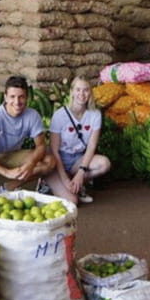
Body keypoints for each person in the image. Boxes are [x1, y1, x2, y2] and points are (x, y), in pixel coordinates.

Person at [0, 76, 56, 203]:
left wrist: (30, 164)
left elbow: (40, 146)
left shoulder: (32, 115)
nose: (17, 102)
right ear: (5, 97)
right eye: (12, 97)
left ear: (27, 97)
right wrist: (6, 172)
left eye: (21, 97)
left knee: (49, 161)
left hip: (12, 154)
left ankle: (8, 188)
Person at [43, 77, 111, 205]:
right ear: (72, 92)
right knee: (73, 202)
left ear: (90, 92)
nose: (82, 94)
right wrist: (64, 179)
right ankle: (49, 184)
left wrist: (80, 173)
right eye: (78, 89)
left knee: (104, 164)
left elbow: (91, 146)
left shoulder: (95, 115)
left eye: (86, 90)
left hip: (77, 159)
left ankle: (77, 184)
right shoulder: (60, 115)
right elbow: (54, 150)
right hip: (57, 161)